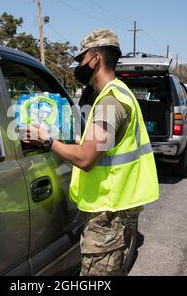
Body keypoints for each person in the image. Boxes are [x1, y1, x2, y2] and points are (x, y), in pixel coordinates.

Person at [22, 29, 159, 276]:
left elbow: (86, 159)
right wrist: (76, 139)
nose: (79, 65)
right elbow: (106, 145)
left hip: (109, 214)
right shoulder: (119, 92)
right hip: (120, 207)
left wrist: (47, 141)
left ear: (95, 58)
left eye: (81, 59)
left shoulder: (109, 101)